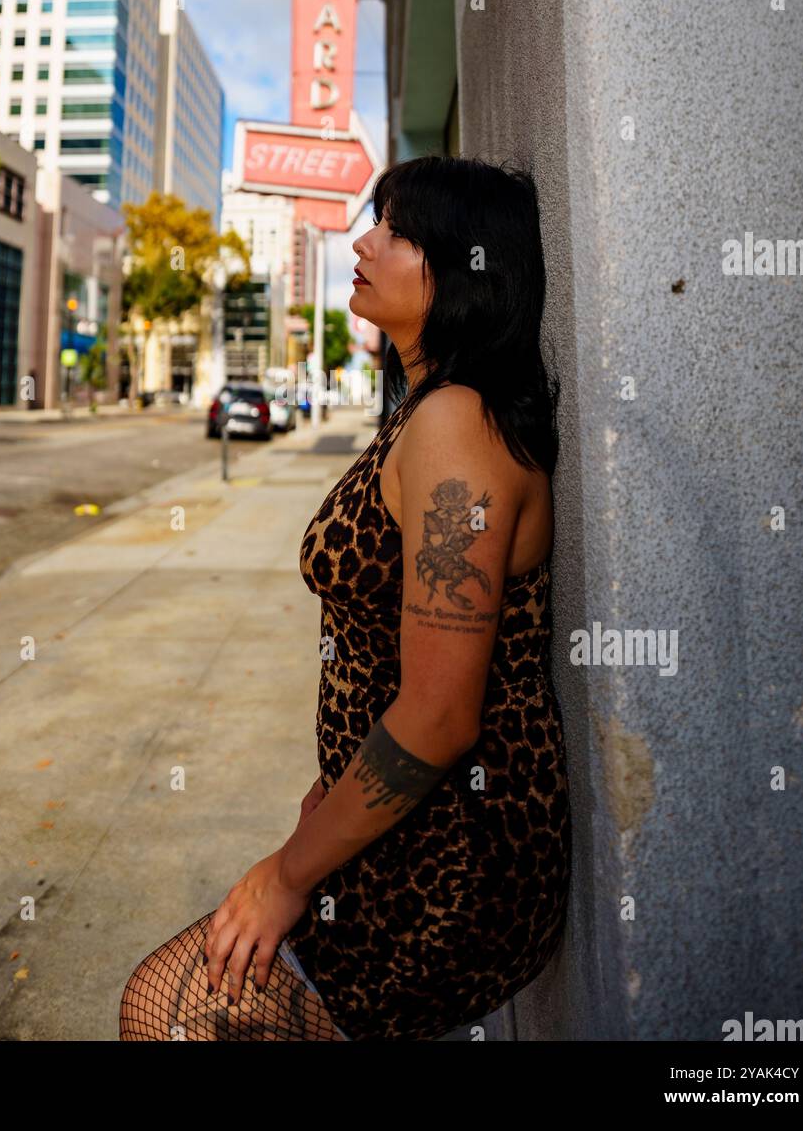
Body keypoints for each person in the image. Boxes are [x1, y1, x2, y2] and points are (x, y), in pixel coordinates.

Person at [119, 154, 571, 1041]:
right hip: (405, 820)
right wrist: (331, 796)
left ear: (465, 266)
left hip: (455, 854)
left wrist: (286, 876)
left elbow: (441, 716)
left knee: (172, 1012)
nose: (366, 241)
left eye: (398, 230)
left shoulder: (455, 428)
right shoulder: (428, 410)